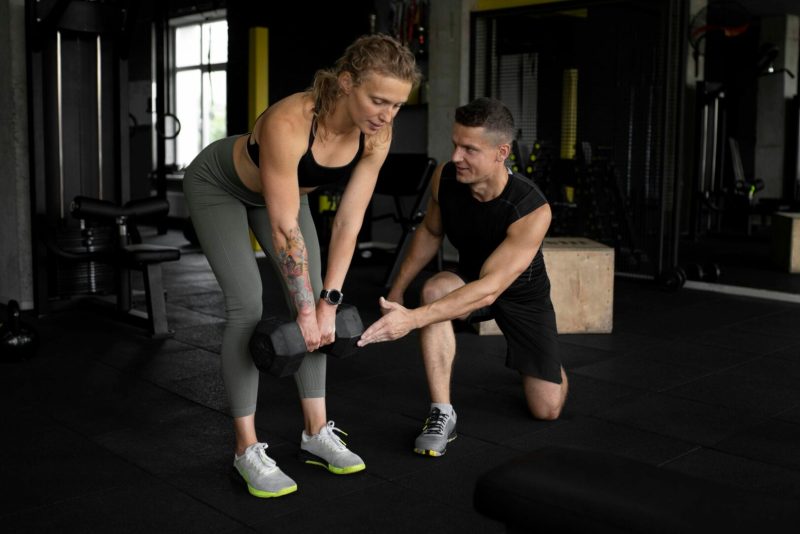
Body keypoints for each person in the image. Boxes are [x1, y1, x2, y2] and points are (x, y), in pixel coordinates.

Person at [182, 34, 419, 497]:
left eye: (397, 105)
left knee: (312, 297)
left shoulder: (378, 133)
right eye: (378, 100)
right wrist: (307, 312)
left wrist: (326, 302)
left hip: (286, 199)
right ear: (347, 82)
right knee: (247, 304)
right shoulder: (290, 122)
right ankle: (246, 448)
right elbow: (285, 229)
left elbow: (350, 221)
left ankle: (315, 432)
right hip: (220, 186)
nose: (386, 115)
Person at [357, 97, 568, 457]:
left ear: (501, 152)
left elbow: (489, 290)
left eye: (470, 149)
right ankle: (441, 411)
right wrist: (398, 291)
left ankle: (549, 368)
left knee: (546, 409)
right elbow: (430, 231)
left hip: (520, 292)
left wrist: (410, 321)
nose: (456, 157)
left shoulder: (530, 209)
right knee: (435, 288)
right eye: (456, 144)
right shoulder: (446, 178)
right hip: (470, 276)